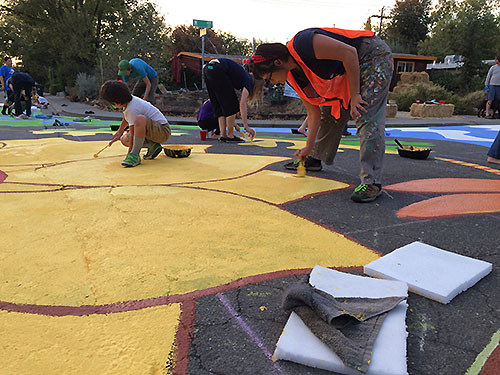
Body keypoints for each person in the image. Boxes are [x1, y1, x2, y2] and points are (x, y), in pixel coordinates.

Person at [250, 27, 393, 203]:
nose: (270, 82)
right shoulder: (294, 77)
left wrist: (355, 96)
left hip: (372, 56)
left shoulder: (303, 44)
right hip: (348, 70)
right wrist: (308, 148)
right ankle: (315, 158)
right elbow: (313, 112)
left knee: (365, 113)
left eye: (269, 77)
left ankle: (372, 182)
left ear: (278, 62)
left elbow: (349, 53)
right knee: (330, 111)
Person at [99, 80, 171, 168]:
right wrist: (120, 131)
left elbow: (133, 134)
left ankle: (135, 155)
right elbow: (127, 117)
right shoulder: (129, 102)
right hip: (155, 131)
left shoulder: (132, 108)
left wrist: (130, 154)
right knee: (124, 139)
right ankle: (153, 146)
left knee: (139, 120)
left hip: (163, 131)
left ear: (115, 103)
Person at [203, 58, 260, 142]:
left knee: (219, 105)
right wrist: (246, 126)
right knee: (231, 104)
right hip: (218, 69)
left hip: (208, 68)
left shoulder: (241, 75)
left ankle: (223, 135)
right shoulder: (248, 81)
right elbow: (242, 103)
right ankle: (230, 135)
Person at [485, 54, 500, 119]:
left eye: (496, 59)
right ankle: (487, 113)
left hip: (499, 86)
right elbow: (488, 76)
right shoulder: (493, 67)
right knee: (490, 99)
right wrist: (486, 84)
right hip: (492, 85)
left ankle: (493, 113)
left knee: (497, 100)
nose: (495, 60)